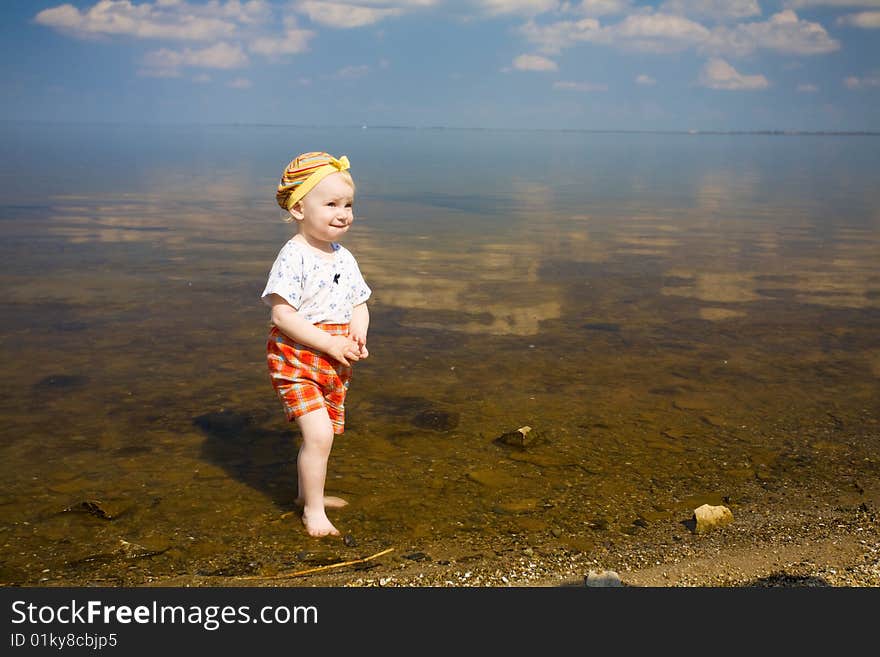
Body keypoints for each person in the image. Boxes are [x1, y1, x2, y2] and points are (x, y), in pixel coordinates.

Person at [261, 151, 371, 537]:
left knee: (324, 436)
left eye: (348, 205)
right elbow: (282, 316)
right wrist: (329, 342)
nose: (343, 214)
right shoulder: (294, 256)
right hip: (296, 358)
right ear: (298, 208)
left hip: (333, 356)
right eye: (331, 204)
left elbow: (359, 302)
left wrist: (357, 334)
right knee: (319, 435)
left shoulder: (344, 257)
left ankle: (309, 495)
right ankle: (313, 512)